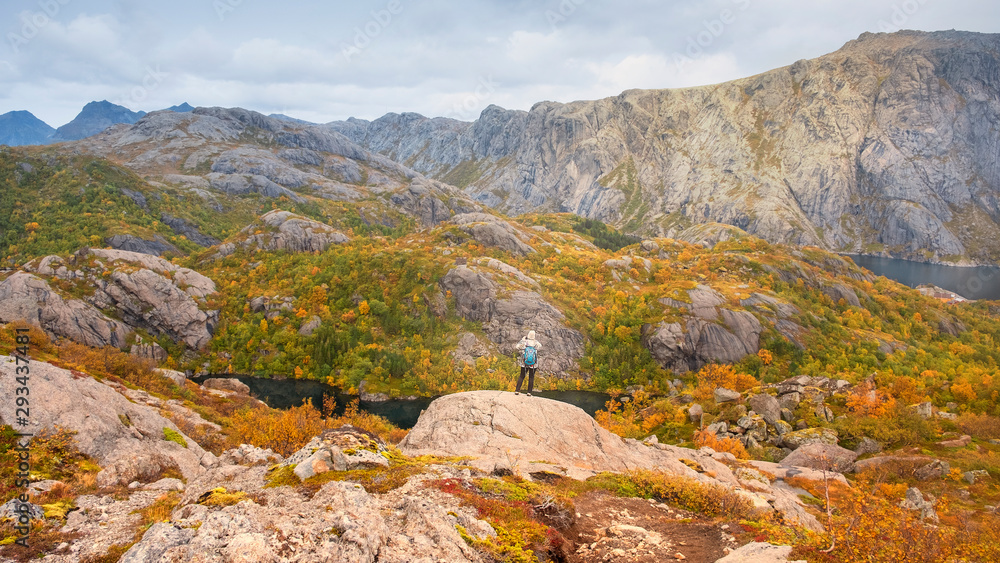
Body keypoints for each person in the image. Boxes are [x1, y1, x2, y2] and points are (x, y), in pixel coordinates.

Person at [514, 330, 541, 395]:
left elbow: (517, 347)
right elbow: (540, 346)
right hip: (533, 364)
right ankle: (529, 392)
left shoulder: (524, 342)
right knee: (531, 377)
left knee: (522, 376)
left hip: (524, 363)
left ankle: (517, 390)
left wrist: (522, 340)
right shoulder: (536, 343)